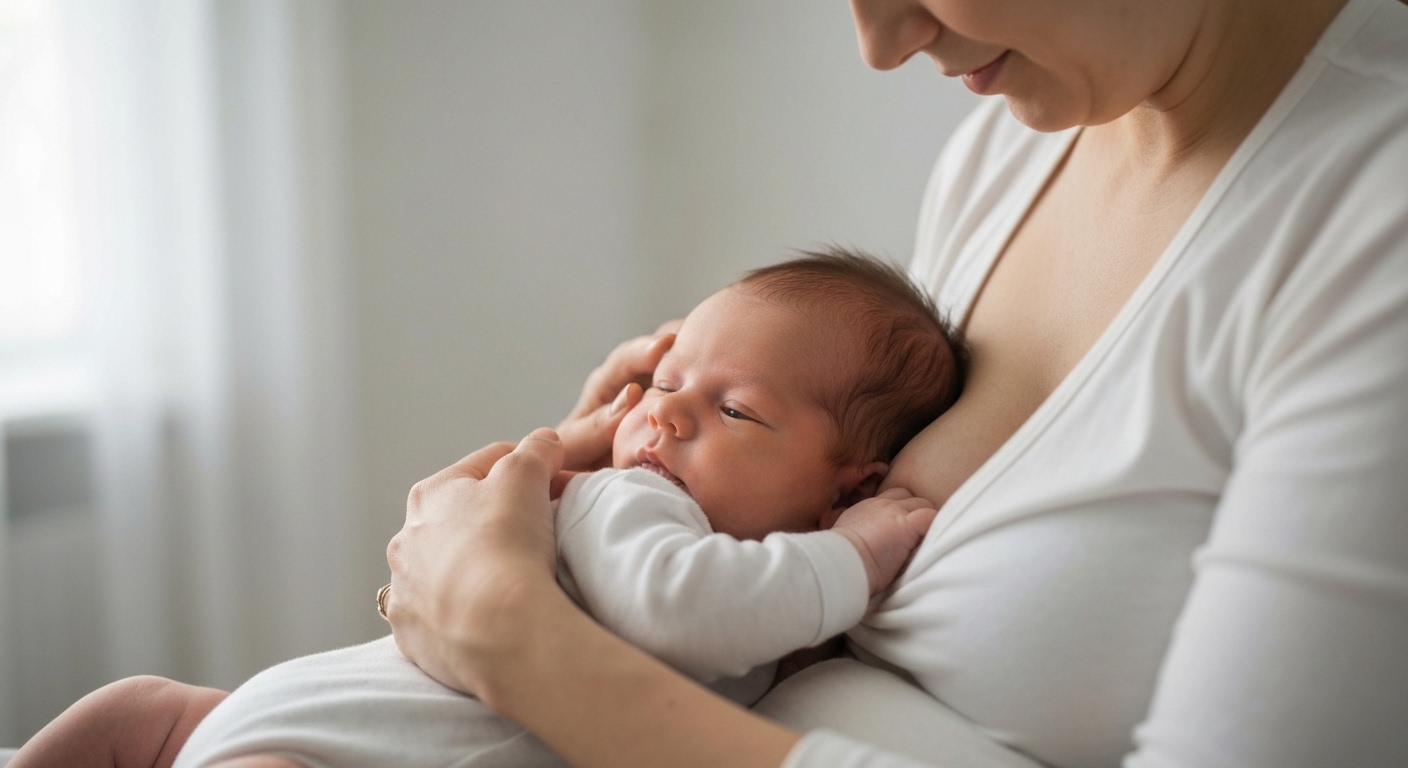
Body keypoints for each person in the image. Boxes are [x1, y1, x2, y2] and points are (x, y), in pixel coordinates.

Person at [381, 0, 1408, 767]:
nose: (881, 42)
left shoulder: (1372, 221)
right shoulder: (1008, 154)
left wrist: (520, 643)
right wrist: (616, 510)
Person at [9, 252, 965, 768]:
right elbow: (685, 606)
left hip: (294, 732)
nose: (666, 413)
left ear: (848, 480)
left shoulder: (737, 576)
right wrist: (853, 556)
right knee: (144, 715)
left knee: (146, 713)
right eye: (666, 382)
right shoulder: (633, 506)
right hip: (314, 748)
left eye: (735, 409)